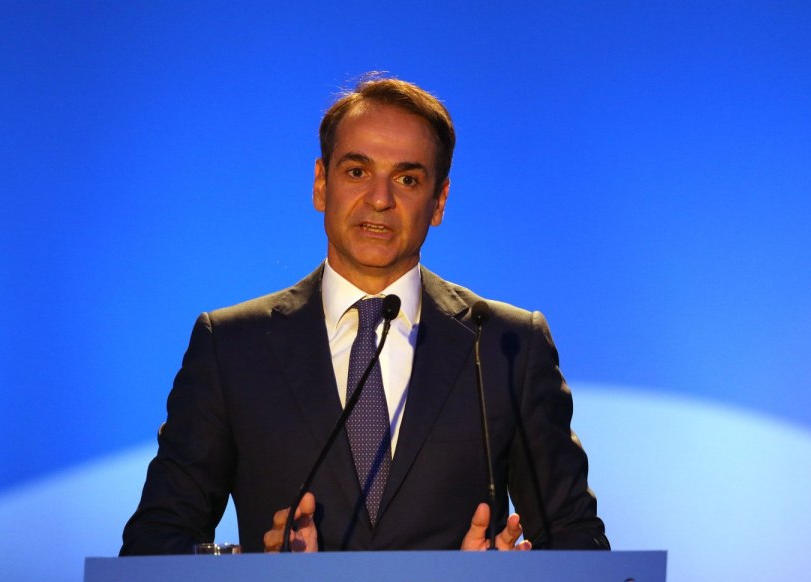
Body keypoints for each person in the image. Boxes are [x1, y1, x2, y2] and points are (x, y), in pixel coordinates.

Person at [120, 77, 608, 555]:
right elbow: (153, 547)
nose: (379, 199)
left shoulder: (506, 346)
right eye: (357, 172)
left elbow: (578, 540)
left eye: (407, 179)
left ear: (439, 202)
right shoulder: (232, 347)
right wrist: (260, 576)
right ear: (320, 184)